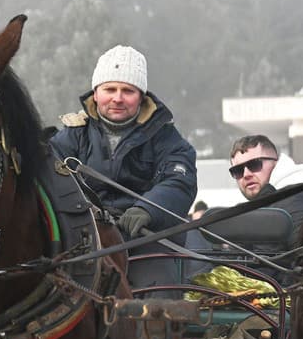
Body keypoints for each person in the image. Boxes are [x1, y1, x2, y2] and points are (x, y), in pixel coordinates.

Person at [50, 45, 197, 290]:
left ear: (141, 96)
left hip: (148, 241)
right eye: (110, 89)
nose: (117, 98)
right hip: (85, 240)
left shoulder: (168, 139)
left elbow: (179, 183)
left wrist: (147, 209)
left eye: (127, 90)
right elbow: (49, 177)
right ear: (95, 94)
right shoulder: (71, 136)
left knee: (157, 298)